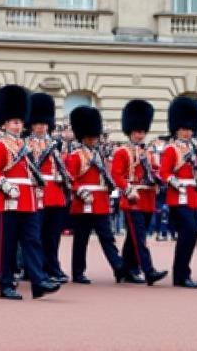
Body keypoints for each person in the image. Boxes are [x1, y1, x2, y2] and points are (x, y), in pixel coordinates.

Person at [0, 84, 60, 300]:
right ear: (5, 124)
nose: (19, 126)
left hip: (28, 200)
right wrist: (4, 185)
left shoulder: (24, 146)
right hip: (9, 199)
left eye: (20, 122)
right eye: (15, 122)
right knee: (7, 245)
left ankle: (38, 282)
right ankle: (6, 284)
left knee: (33, 241)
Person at [111, 99, 168, 286]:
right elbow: (116, 175)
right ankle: (148, 270)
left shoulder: (148, 152)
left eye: (142, 132)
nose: (139, 135)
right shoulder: (122, 152)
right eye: (136, 132)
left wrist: (158, 179)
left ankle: (125, 269)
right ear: (130, 132)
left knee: (132, 238)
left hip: (148, 198)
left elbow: (156, 170)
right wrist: (128, 190)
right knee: (140, 237)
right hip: (132, 199)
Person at [67, 106, 124, 285]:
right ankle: (78, 272)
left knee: (107, 237)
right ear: (82, 137)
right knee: (81, 240)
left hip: (100, 201)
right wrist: (80, 191)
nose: (93, 140)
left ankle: (118, 267)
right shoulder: (75, 156)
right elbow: (70, 179)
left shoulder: (99, 155)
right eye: (90, 137)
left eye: (94, 137)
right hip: (83, 202)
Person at [159, 96, 197, 288]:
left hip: (193, 195)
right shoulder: (171, 149)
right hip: (178, 196)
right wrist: (177, 183)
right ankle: (182, 274)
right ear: (177, 129)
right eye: (184, 129)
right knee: (189, 231)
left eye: (190, 129)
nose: (187, 132)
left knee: (192, 234)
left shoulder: (193, 148)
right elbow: (164, 172)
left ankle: (181, 273)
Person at [25, 92, 69, 284]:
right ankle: (35, 267)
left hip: (55, 192)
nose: (41, 127)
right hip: (37, 191)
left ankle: (53, 265)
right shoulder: (26, 144)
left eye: (44, 123)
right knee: (36, 234)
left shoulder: (56, 144)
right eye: (37, 123)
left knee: (52, 235)